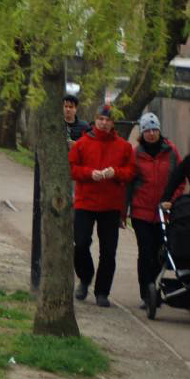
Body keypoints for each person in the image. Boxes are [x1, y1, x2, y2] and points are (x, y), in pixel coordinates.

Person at [69, 103, 135, 308]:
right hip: (85, 201)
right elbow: (73, 169)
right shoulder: (82, 143)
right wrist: (90, 173)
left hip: (110, 205)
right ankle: (85, 277)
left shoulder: (124, 146)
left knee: (108, 251)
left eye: (108, 120)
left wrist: (115, 172)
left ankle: (102, 291)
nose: (104, 123)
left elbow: (131, 172)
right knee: (80, 244)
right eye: (101, 119)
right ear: (95, 120)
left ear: (113, 123)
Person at [126, 112, 184, 309]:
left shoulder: (171, 151)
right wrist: (124, 209)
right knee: (145, 251)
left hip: (164, 212)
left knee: (161, 252)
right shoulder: (136, 153)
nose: (151, 133)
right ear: (142, 133)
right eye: (147, 130)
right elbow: (129, 182)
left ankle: (154, 288)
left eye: (154, 130)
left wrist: (172, 200)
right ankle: (146, 293)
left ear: (159, 131)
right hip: (141, 211)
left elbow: (180, 180)